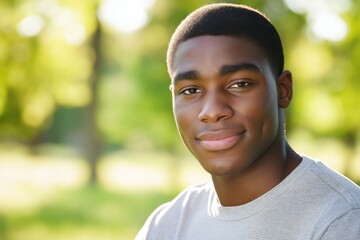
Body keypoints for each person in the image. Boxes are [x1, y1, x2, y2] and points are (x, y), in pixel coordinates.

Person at [135, 3, 360, 239]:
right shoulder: (166, 225)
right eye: (191, 90)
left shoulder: (340, 221)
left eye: (239, 84)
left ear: (283, 89)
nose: (212, 111)